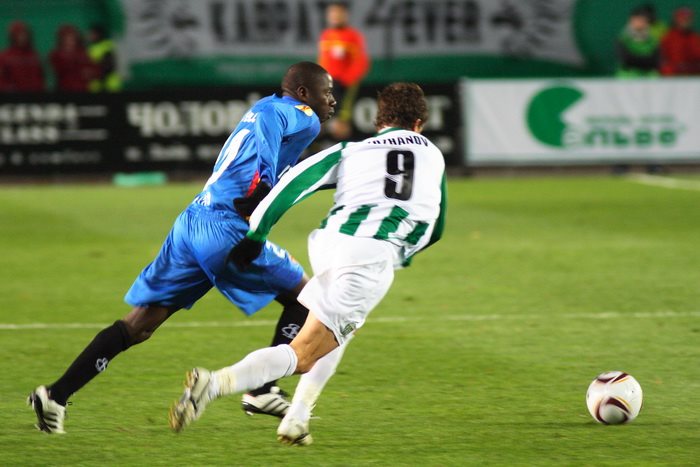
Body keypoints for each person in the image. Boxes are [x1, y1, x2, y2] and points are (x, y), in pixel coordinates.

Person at [28, 61, 336, 434]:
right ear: (303, 93)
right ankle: (262, 389)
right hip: (224, 226)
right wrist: (263, 188)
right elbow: (268, 154)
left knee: (140, 324)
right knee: (307, 298)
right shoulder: (304, 116)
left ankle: (56, 395)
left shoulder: (264, 106)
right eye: (327, 91)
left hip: (192, 221)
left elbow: (277, 153)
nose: (332, 100)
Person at [169, 83, 447, 446]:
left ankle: (297, 417)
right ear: (419, 124)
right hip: (370, 254)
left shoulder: (352, 149)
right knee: (303, 353)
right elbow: (436, 228)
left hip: (330, 242)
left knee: (336, 332)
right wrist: (403, 252)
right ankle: (214, 384)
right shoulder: (433, 155)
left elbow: (293, 183)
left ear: (379, 121)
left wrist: (257, 233)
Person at [318, 2, 370, 141]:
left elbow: (361, 62)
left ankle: (344, 145)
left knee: (342, 119)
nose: (335, 16)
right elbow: (324, 60)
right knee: (324, 118)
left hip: (344, 85)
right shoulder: (326, 35)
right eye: (332, 13)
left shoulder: (352, 36)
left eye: (338, 13)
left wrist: (346, 80)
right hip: (328, 84)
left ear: (345, 15)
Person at [0, 21, 44, 92]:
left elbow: (40, 77)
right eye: (19, 35)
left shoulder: (34, 55)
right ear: (13, 37)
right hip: (13, 96)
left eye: (24, 34)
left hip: (34, 95)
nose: (22, 37)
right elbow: (2, 79)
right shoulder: (5, 56)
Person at [616, 7, 660, 78]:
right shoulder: (622, 39)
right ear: (631, 20)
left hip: (649, 77)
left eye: (643, 20)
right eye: (637, 19)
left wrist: (636, 60)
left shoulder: (653, 41)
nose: (640, 22)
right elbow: (626, 60)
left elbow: (656, 61)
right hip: (628, 77)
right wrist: (646, 61)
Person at [49, 25, 94, 92]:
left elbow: (94, 68)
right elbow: (59, 69)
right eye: (66, 38)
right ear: (61, 39)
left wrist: (90, 72)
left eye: (72, 37)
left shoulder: (82, 53)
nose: (69, 40)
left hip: (82, 88)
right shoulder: (56, 54)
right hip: (65, 88)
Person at [660, 7, 700, 76]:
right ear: (676, 20)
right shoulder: (668, 38)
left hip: (693, 72)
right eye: (682, 19)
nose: (685, 22)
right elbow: (663, 58)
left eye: (688, 19)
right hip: (674, 74)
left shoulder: (695, 38)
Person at [87, 25, 122, 92]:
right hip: (97, 84)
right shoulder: (91, 48)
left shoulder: (107, 45)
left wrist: (101, 82)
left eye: (92, 33)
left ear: (99, 34)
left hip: (109, 84)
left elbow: (109, 65)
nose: (89, 36)